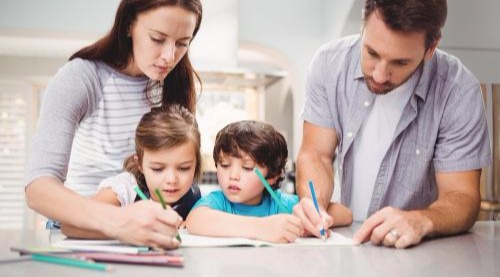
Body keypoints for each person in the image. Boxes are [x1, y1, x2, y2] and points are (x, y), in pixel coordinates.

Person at [294, 0, 491, 249]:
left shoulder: (458, 91)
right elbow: (316, 154)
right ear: (363, 26)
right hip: (348, 245)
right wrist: (314, 204)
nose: (379, 75)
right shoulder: (329, 65)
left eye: (400, 62)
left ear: (431, 48)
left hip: (420, 252)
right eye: (372, 53)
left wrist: (421, 220)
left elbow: (462, 197)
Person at [25, 0, 203, 249]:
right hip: (79, 231)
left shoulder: (175, 84)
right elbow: (38, 188)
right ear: (129, 25)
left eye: (182, 43)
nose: (169, 56)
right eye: (157, 38)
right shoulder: (82, 78)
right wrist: (119, 222)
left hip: (145, 229)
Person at [186, 120, 352, 243]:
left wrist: (312, 221)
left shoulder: (281, 204)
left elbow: (346, 215)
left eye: (247, 168)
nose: (233, 175)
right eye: (225, 165)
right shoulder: (218, 201)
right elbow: (195, 220)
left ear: (272, 176)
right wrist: (262, 228)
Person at [61, 105, 202, 239]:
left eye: (184, 168)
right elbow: (70, 226)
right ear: (139, 163)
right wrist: (125, 225)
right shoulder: (125, 189)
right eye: (158, 169)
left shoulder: (193, 195)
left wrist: (191, 225)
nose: (172, 179)